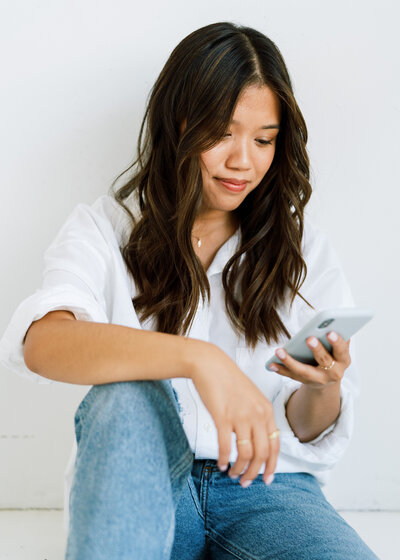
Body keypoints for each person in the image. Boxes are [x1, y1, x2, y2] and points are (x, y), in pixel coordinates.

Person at [0, 21, 378, 560]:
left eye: (264, 140)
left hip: (267, 489)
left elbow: (305, 427)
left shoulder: (303, 250)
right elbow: (43, 344)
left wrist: (322, 387)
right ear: (178, 124)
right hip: (149, 484)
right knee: (127, 395)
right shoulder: (105, 230)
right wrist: (199, 360)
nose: (243, 160)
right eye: (222, 133)